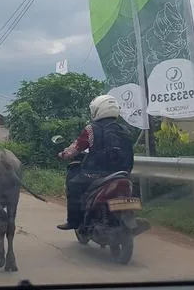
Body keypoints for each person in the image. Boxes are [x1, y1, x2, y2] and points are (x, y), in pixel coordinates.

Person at [55, 94, 135, 231]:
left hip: (95, 174)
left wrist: (63, 154)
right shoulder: (124, 130)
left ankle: (73, 221)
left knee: (73, 185)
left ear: (97, 110)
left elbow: (75, 149)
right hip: (122, 173)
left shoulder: (91, 129)